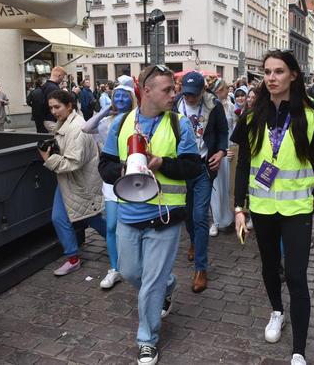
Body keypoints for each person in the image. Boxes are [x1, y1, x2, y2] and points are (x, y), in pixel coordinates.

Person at [98, 65, 203, 365]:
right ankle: (169, 286)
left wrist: (162, 164)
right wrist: (124, 170)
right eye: (167, 89)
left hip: (165, 216)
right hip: (129, 212)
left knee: (151, 283)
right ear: (146, 91)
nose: (174, 94)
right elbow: (104, 165)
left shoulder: (179, 124)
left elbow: (193, 167)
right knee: (131, 272)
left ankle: (147, 340)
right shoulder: (121, 124)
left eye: (174, 89)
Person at [231, 50, 314, 365]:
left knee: (297, 275)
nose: (272, 78)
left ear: (293, 75)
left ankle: (298, 350)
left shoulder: (310, 116)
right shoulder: (251, 115)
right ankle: (277, 311)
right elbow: (244, 163)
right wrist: (238, 207)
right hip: (262, 206)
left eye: (279, 71)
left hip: (297, 209)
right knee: (269, 267)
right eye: (267, 72)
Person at [38, 90, 107, 276]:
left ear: (69, 106)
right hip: (69, 181)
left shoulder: (77, 127)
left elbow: (73, 162)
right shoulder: (66, 123)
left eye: (57, 107)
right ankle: (73, 258)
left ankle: (120, 243)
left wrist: (48, 158)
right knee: (63, 217)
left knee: (90, 216)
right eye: (51, 107)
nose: (53, 111)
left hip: (78, 181)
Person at [173, 71, 228, 293]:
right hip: (182, 167)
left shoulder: (213, 105)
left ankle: (201, 268)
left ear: (203, 90)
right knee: (187, 214)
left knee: (200, 216)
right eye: (186, 93)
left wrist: (222, 151)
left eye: (194, 94)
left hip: (204, 168)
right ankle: (195, 242)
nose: (190, 98)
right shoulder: (175, 106)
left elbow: (223, 132)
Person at [82, 75, 137, 289]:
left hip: (131, 178)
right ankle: (115, 268)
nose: (121, 99)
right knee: (112, 225)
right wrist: (107, 109)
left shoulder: (136, 120)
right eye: (117, 96)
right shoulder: (105, 122)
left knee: (130, 225)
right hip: (110, 179)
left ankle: (132, 265)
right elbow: (86, 128)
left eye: (125, 96)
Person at [207, 78, 236, 237]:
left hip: (229, 149)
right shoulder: (210, 106)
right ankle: (215, 220)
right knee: (215, 185)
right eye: (225, 89)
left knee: (226, 184)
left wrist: (233, 149)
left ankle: (226, 216)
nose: (228, 91)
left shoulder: (230, 106)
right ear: (219, 90)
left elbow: (234, 129)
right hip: (217, 149)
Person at [42, 67, 66, 132]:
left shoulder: (46, 85)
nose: (63, 80)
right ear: (59, 75)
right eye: (63, 77)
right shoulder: (53, 88)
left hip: (48, 119)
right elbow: (59, 104)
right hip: (53, 120)